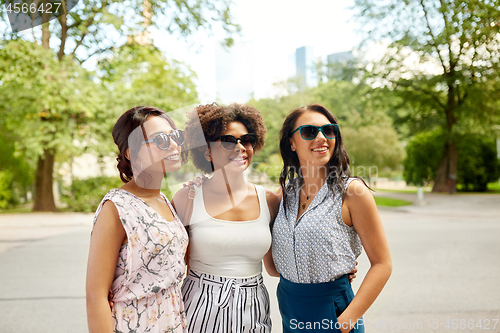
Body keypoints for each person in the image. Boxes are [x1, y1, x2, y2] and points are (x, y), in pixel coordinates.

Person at [272, 104, 392, 333]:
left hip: (334, 315)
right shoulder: (286, 193)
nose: (321, 137)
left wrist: (345, 322)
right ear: (292, 143)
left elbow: (383, 264)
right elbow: (275, 266)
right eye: (309, 131)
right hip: (290, 312)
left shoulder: (353, 192)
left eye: (329, 130)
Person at [172, 103, 281, 333]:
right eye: (228, 140)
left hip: (253, 308)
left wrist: (333, 271)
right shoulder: (187, 198)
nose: (240, 147)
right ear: (207, 150)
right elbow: (166, 261)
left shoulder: (270, 200)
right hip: (199, 307)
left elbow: (274, 267)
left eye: (247, 139)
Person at [86, 106, 189, 333]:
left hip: (172, 322)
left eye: (176, 136)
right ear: (130, 152)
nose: (173, 145)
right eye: (160, 139)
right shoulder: (117, 207)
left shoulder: (165, 200)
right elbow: (96, 297)